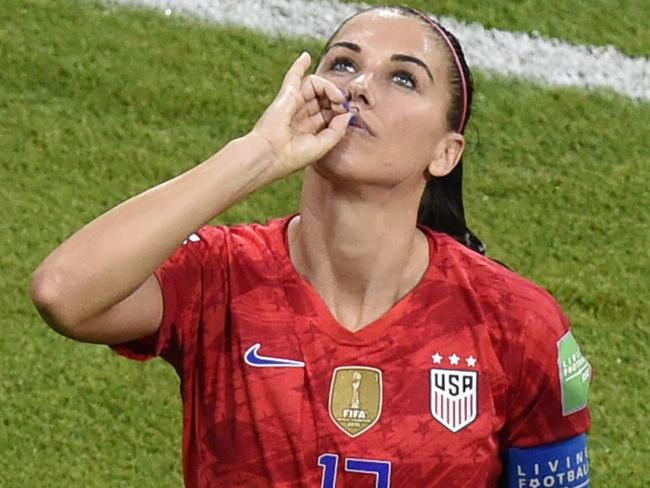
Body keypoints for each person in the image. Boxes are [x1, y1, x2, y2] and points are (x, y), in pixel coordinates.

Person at [30, 5, 592, 487]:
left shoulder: (515, 324)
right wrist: (255, 156)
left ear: (446, 153)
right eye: (344, 64)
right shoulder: (223, 274)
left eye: (403, 79)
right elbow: (63, 293)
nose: (359, 86)